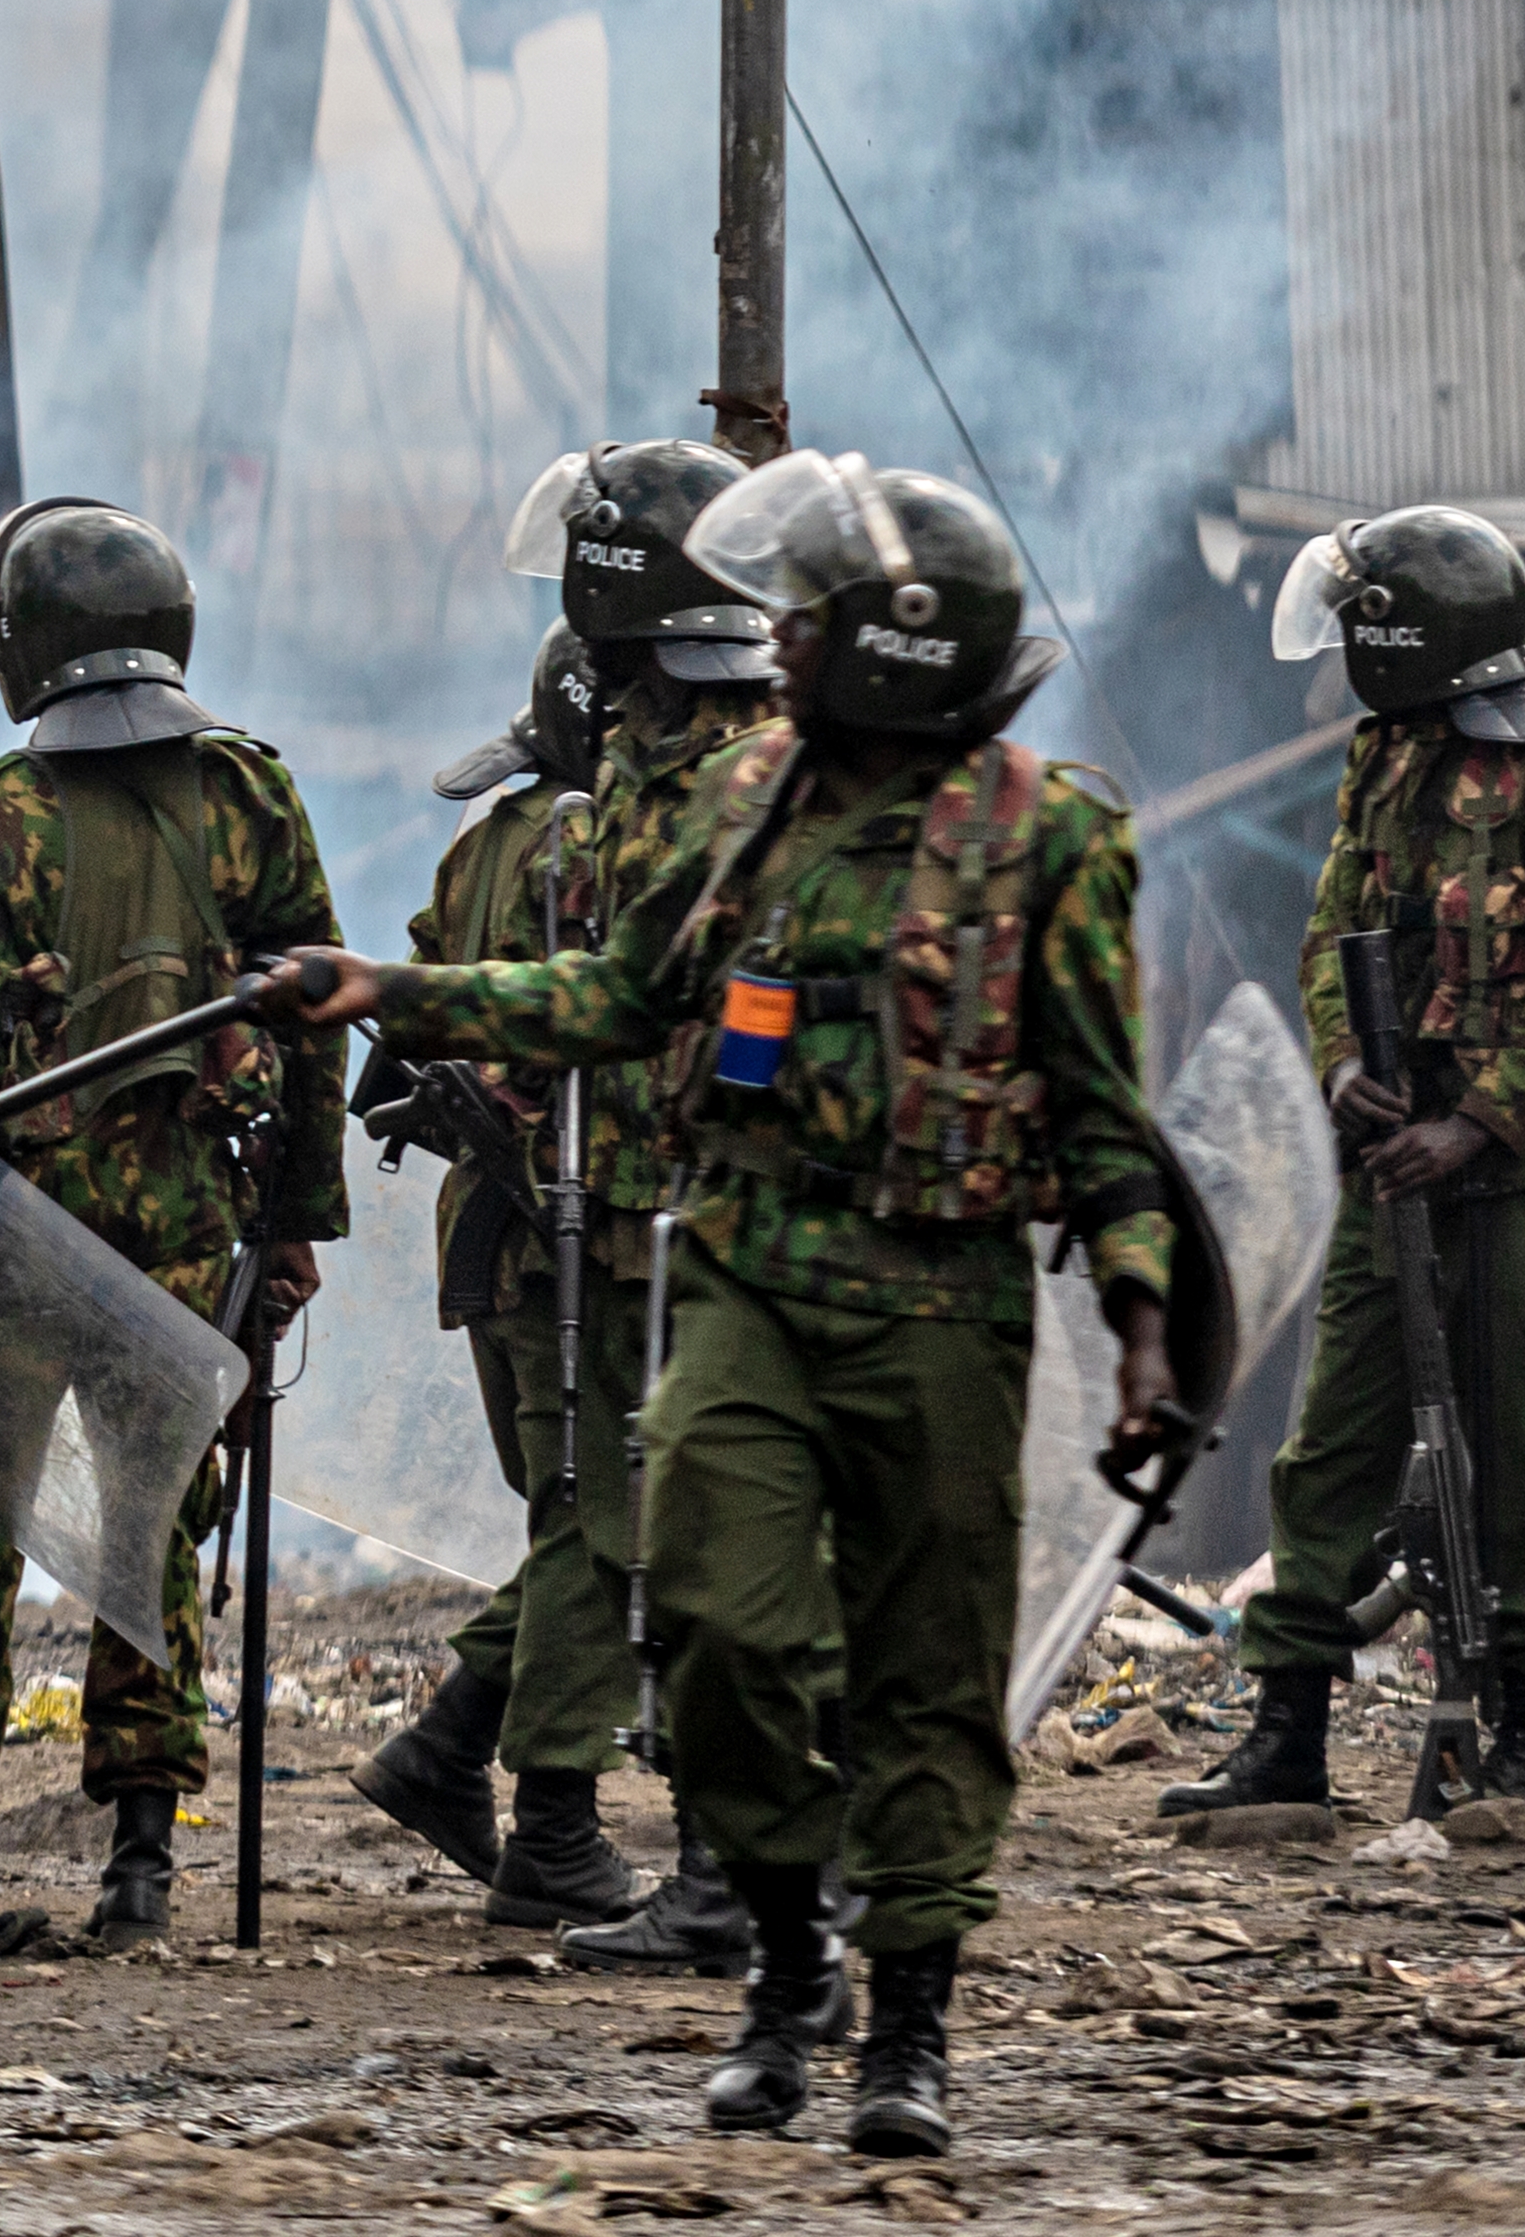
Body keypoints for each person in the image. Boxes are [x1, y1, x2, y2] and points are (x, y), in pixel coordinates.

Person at [273, 449, 1190, 2160]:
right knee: (710, 1610)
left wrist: (1143, 1328)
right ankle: (782, 1954)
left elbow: (1103, 1121)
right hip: (751, 1278)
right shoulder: (738, 800)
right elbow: (618, 995)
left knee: (921, 1680)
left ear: (899, 651)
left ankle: (900, 2021)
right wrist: (393, 989)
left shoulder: (1051, 843)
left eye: (810, 622)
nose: (774, 646)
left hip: (942, 1301)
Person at [0, 499, 345, 1963]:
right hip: (190, 1234)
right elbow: (321, 1021)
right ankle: (141, 1878)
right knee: (154, 1528)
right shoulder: (251, 794)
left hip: (10, 1242)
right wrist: (294, 1227)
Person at [1169, 503, 1525, 1821]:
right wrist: (1346, 1064)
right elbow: (1333, 929)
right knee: (1330, 1444)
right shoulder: (1382, 759)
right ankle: (1286, 1731)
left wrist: (1484, 1119)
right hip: (1389, 1164)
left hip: (1524, 1177)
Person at [478, 438, 803, 1980]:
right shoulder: (650, 749)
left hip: (725, 1212)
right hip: (624, 1213)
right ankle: (720, 1868)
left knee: (729, 1540)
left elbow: (752, 993)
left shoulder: (751, 768)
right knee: (642, 1523)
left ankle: (751, 1866)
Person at [332, 631, 665, 1936]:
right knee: (595, 1519)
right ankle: (554, 1832)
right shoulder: (584, 841)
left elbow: (414, 1009)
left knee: (587, 1515)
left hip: (501, 1232)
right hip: (558, 1231)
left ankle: (449, 1754)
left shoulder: (487, 841)